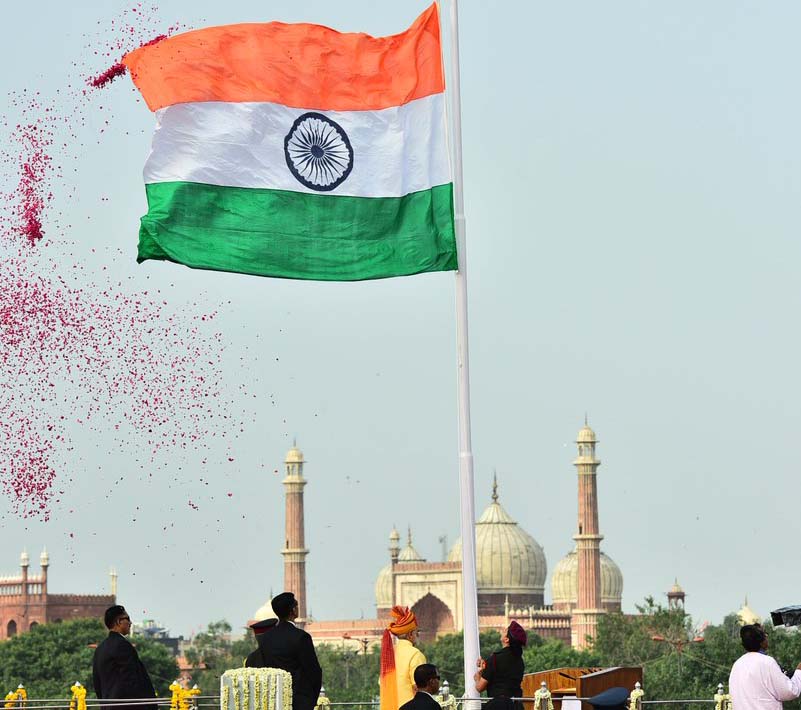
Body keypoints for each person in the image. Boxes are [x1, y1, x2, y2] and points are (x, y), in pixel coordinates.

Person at [245, 592, 322, 710]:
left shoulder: (266, 638)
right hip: (298, 701)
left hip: (275, 700)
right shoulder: (301, 637)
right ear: (293, 610)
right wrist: (310, 700)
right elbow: (313, 671)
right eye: (296, 606)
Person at [92, 605, 156, 710]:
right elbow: (132, 679)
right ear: (118, 622)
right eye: (128, 619)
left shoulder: (101, 648)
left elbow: (97, 681)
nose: (130, 623)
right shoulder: (122, 645)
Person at [729, 624, 801, 710]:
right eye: (765, 634)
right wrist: (799, 672)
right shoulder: (767, 662)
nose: (767, 637)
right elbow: (789, 691)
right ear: (761, 641)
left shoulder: (737, 664)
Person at [380, 606, 426, 710]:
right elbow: (419, 688)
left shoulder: (388, 654)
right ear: (410, 634)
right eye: (417, 632)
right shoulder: (415, 654)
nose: (418, 635)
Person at [474, 621, 527, 710]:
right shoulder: (520, 661)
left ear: (507, 639)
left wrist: (478, 677)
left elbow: (479, 687)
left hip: (498, 705)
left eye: (505, 630)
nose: (503, 630)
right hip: (516, 706)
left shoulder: (495, 659)